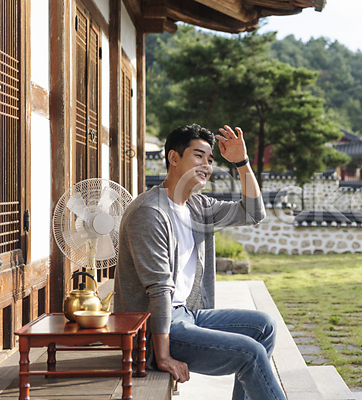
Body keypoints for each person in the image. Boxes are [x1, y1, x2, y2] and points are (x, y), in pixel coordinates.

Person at [114, 124, 287, 400]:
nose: (206, 165)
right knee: (250, 353)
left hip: (187, 315)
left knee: (264, 327)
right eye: (198, 156)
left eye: (210, 159)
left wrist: (241, 162)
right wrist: (163, 356)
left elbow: (254, 213)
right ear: (173, 158)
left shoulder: (198, 207)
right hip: (153, 329)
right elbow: (159, 289)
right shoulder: (150, 212)